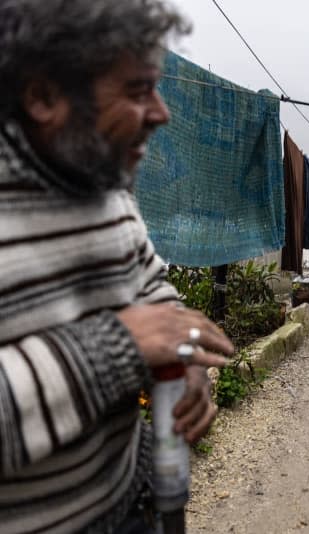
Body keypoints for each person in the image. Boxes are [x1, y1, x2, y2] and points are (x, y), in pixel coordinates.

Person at [0, 2, 234, 532]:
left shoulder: (100, 178)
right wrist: (116, 348)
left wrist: (184, 357)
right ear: (42, 95)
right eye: (136, 91)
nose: (161, 112)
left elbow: (149, 281)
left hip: (135, 503)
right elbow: (130, 335)